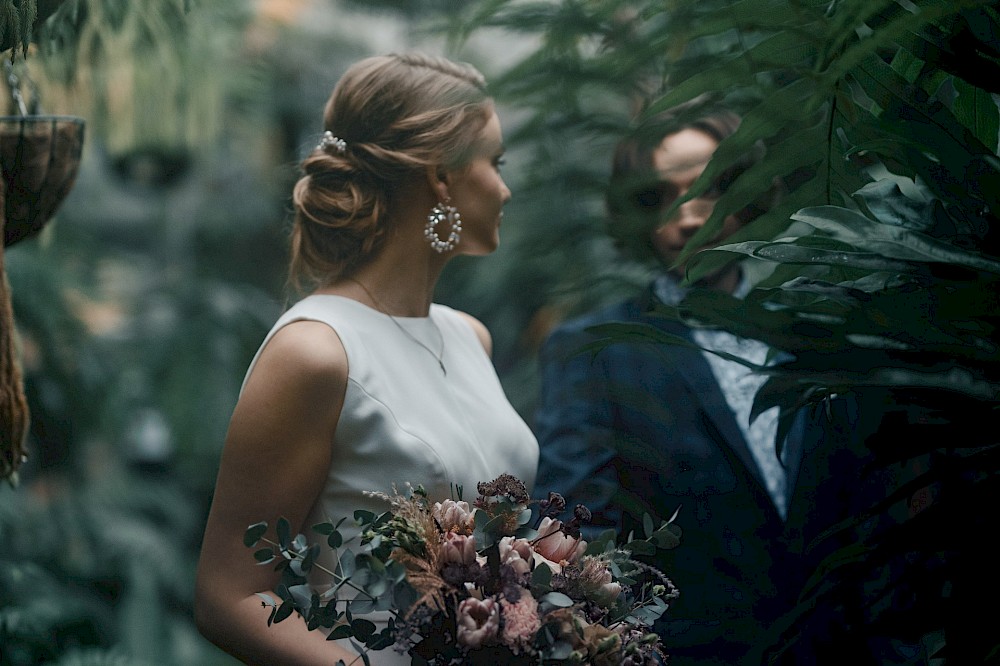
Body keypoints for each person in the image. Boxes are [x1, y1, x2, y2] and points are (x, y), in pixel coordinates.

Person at [194, 52, 539, 666]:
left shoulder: (470, 336)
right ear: (441, 176)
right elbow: (229, 595)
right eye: (496, 161)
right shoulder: (316, 352)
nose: (506, 186)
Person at [533, 106, 817, 665]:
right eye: (660, 199)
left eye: (710, 189)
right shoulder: (596, 351)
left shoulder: (812, 333)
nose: (690, 218)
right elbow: (575, 534)